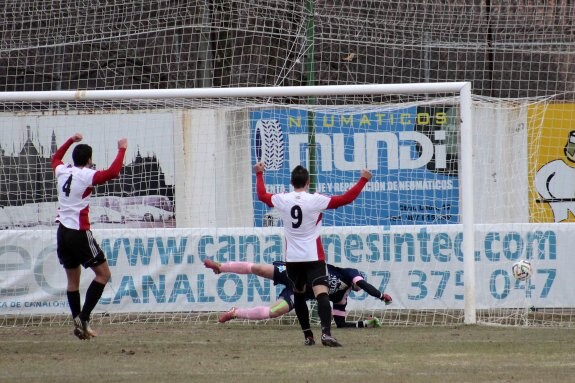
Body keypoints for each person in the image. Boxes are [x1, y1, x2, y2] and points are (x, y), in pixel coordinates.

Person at [253, 162, 372, 347]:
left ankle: (308, 336)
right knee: (321, 293)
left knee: (299, 295)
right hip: (313, 256)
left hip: (293, 259)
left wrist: (259, 174)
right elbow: (345, 199)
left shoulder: (282, 199)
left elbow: (261, 195)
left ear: (292, 182)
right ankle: (326, 333)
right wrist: (363, 180)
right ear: (307, 182)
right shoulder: (314, 199)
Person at [51, 133, 127, 340]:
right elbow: (113, 172)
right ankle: (83, 318)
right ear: (88, 160)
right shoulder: (86, 175)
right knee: (103, 275)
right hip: (78, 232)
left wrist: (69, 140)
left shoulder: (62, 170)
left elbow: (55, 158)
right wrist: (122, 149)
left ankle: (79, 323)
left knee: (72, 282)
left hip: (63, 232)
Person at [205, 259, 392, 329]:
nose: (358, 285)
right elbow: (365, 285)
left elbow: (340, 324)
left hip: (298, 292)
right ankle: (221, 267)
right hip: (297, 271)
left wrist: (364, 324)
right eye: (359, 282)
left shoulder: (342, 297)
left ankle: (235, 312)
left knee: (273, 312)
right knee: (259, 269)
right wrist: (381, 295)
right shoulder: (349, 272)